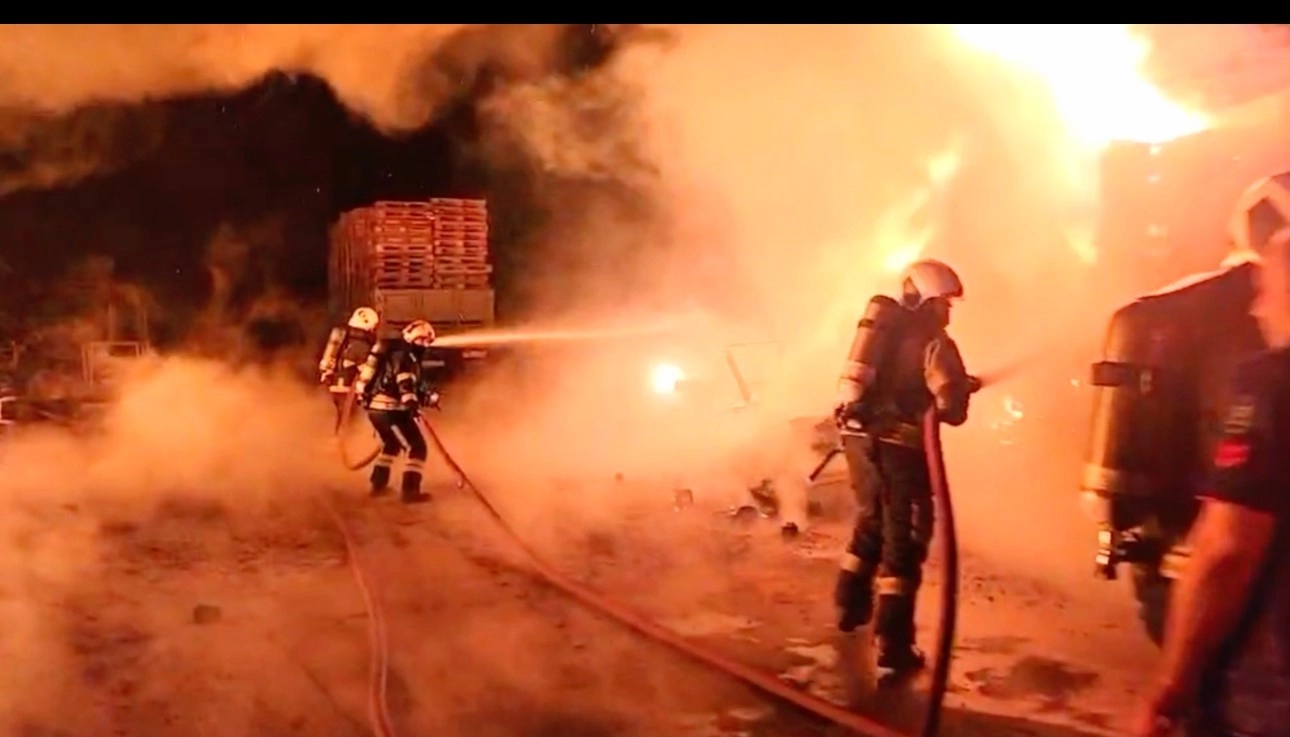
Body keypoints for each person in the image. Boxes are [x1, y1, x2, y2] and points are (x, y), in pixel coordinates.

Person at [1134, 179, 1290, 737]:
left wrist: (1172, 686)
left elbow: (1226, 551)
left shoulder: (1273, 384)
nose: (1256, 304)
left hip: (1269, 701)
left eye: (1266, 283)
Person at [831, 258, 978, 677]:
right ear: (926, 302)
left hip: (860, 442)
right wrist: (958, 390)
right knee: (905, 539)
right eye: (943, 303)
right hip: (900, 450)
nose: (947, 312)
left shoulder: (884, 334)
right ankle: (893, 644)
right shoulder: (935, 343)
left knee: (871, 520)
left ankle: (849, 605)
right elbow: (952, 409)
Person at [353, 319, 441, 504]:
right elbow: (404, 383)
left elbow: (407, 385)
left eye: (428, 341)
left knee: (391, 445)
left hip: (380, 410)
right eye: (422, 340)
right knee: (416, 448)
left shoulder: (402, 354)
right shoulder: (405, 356)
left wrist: (427, 398)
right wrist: (411, 404)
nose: (425, 345)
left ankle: (378, 485)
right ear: (412, 339)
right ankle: (410, 492)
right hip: (390, 411)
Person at [319, 306, 382, 400]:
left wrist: (325, 372)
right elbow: (367, 367)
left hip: (334, 383)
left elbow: (327, 359)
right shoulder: (365, 344)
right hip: (353, 388)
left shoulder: (341, 335)